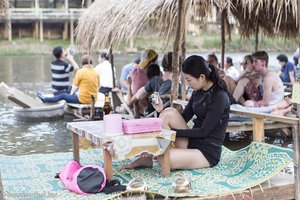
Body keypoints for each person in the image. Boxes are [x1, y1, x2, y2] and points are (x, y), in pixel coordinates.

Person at [122, 55, 230, 170]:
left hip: (206, 152)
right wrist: (161, 110)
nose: (188, 84)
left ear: (202, 77)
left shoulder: (219, 97)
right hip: (192, 143)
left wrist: (172, 133)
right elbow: (184, 118)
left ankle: (157, 153)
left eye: (189, 80)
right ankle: (148, 157)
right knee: (169, 112)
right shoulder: (198, 92)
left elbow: (204, 132)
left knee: (164, 159)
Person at [128, 49, 158, 117]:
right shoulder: (158, 76)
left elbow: (131, 101)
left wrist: (129, 86)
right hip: (154, 109)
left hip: (144, 110)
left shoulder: (136, 72)